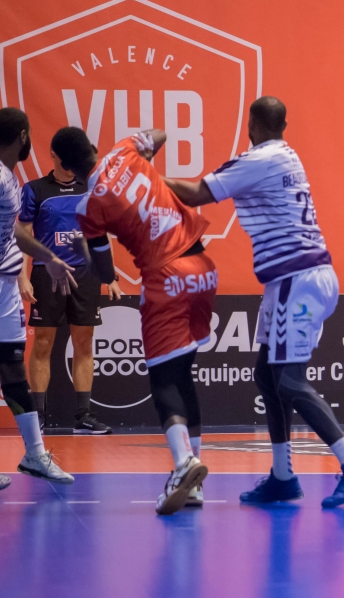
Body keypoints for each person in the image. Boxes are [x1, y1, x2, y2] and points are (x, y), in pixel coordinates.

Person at [164, 96, 344, 508]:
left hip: (295, 280)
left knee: (290, 381)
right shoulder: (285, 154)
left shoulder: (260, 158)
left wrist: (142, 178)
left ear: (252, 124)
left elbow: (195, 193)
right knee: (267, 376)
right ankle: (282, 477)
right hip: (293, 279)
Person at [52, 126, 215, 514]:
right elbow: (159, 134)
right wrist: (147, 165)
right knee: (183, 375)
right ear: (93, 147)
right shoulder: (126, 149)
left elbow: (106, 270)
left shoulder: (88, 207)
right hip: (204, 268)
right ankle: (193, 486)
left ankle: (184, 464)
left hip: (166, 276)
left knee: (163, 381)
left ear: (66, 168)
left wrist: (85, 249)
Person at [17, 137, 122, 434]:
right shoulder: (35, 190)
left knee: (84, 343)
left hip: (85, 274)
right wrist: (23, 276)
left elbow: (101, 234)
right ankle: (37, 419)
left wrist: (109, 275)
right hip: (46, 273)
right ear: (53, 156)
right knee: (43, 344)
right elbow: (23, 233)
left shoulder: (92, 188)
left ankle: (83, 417)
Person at [0, 107, 76, 488]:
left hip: (5, 287)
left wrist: (48, 257)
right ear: (24, 136)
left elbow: (13, 231)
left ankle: (34, 454)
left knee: (12, 369)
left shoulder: (10, 178)